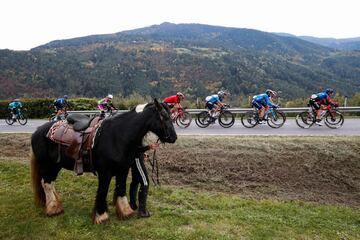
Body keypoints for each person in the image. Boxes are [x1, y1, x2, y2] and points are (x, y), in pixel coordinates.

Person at [129, 142, 159, 218]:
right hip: (137, 160)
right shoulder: (136, 130)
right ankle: (142, 211)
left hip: (136, 158)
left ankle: (132, 205)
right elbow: (135, 148)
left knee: (135, 182)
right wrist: (148, 147)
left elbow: (135, 147)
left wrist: (143, 154)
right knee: (145, 183)